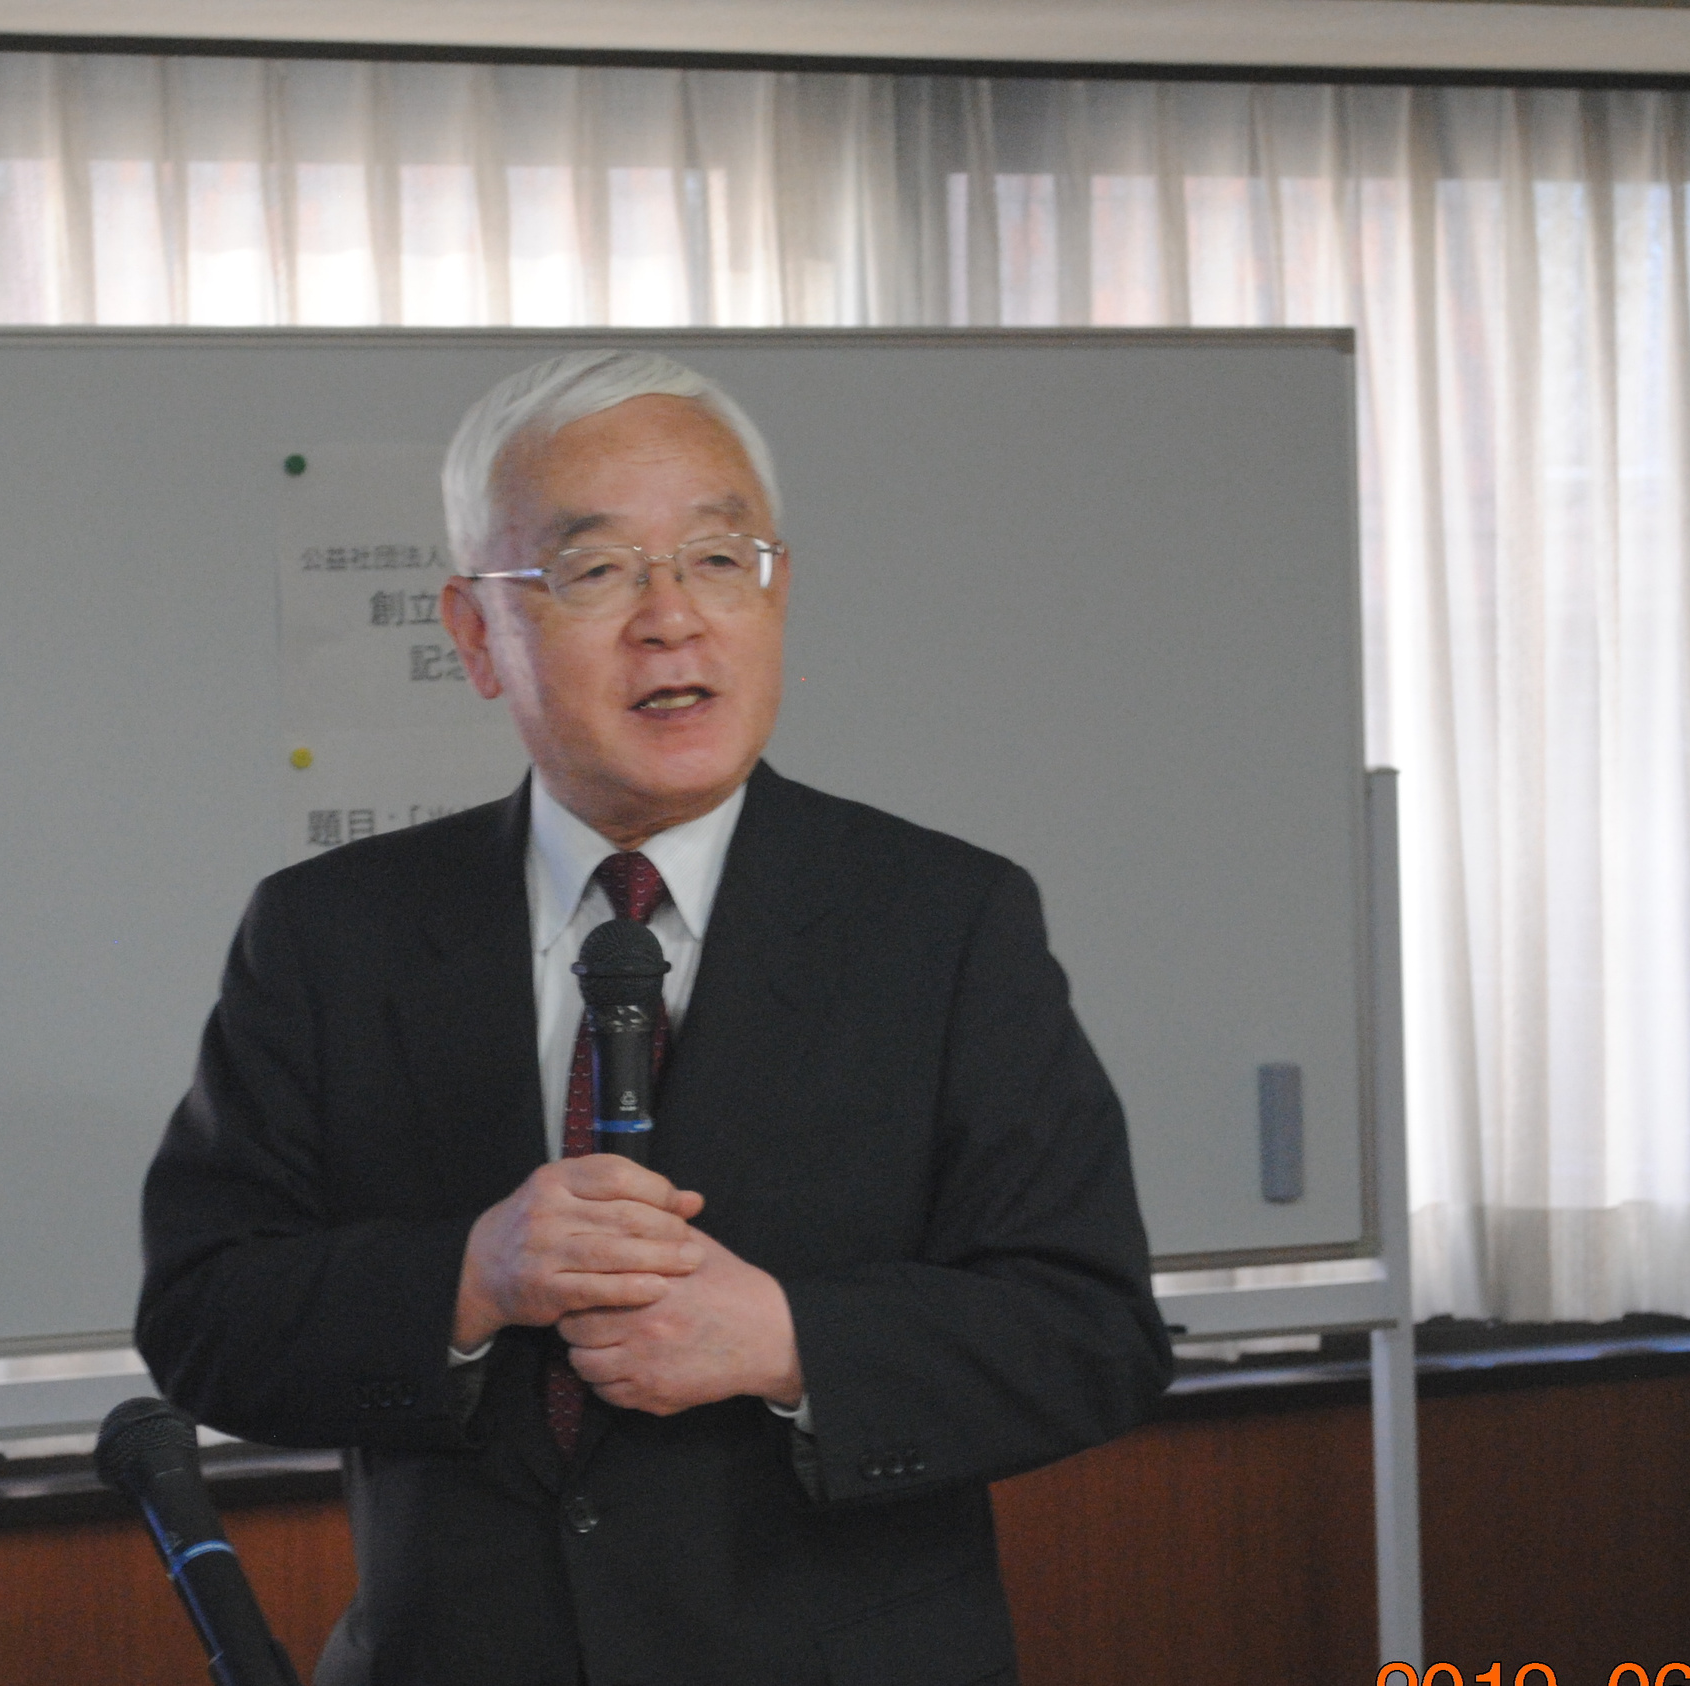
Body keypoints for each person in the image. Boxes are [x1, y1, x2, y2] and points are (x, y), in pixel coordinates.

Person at [136, 349, 1172, 1686]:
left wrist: (791, 1341)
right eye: (596, 569)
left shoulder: (945, 921)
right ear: (474, 634)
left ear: (777, 591)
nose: (671, 618)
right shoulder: (333, 933)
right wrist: (470, 1275)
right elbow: (208, 1313)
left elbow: (1090, 1333)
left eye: (718, 558)